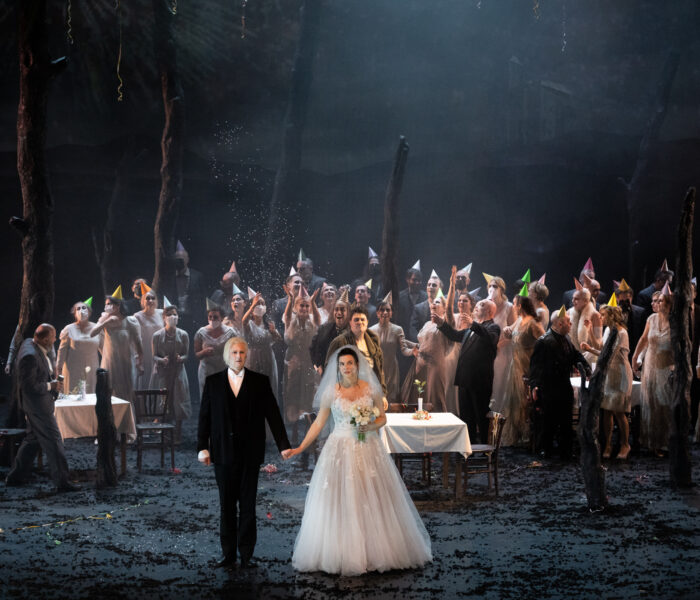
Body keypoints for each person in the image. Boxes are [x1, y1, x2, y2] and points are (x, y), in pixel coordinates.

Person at [282, 346, 432, 576]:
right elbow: (319, 423)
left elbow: (382, 418)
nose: (346, 368)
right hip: (339, 448)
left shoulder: (369, 389)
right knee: (339, 498)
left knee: (370, 495)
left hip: (367, 446)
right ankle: (341, 550)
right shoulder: (331, 392)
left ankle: (375, 549)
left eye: (349, 363)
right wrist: (300, 447)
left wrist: (369, 425)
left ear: (357, 365)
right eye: (342, 364)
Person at [197, 337, 290, 570]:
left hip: (250, 453)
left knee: (248, 505)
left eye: (242, 353)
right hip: (223, 453)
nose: (238, 356)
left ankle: (247, 555)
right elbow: (204, 418)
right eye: (234, 352)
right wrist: (202, 447)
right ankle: (228, 554)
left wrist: (283, 444)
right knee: (226, 505)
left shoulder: (260, 382)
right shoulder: (213, 382)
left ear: (246, 355)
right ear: (227, 355)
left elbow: (273, 414)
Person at [5, 324, 80, 492]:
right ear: (45, 339)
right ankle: (63, 482)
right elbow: (29, 386)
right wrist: (50, 386)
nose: (55, 339)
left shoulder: (29, 342)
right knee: (54, 442)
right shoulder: (30, 356)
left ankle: (15, 477)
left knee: (32, 440)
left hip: (36, 405)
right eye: (53, 337)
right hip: (37, 407)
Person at [433, 299, 500, 443]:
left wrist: (473, 324)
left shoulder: (493, 327)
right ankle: (468, 447)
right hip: (464, 379)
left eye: (481, 304)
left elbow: (490, 339)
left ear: (490, 311)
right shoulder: (470, 329)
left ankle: (486, 449)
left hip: (479, 381)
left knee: (481, 416)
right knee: (466, 416)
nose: (476, 306)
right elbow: (454, 335)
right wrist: (441, 323)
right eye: (477, 304)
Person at [528, 308, 591, 459]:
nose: (571, 324)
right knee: (549, 420)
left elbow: (575, 355)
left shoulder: (566, 337)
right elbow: (536, 366)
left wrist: (586, 367)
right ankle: (546, 449)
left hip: (563, 384)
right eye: (568, 322)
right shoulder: (544, 341)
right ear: (560, 323)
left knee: (566, 419)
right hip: (549, 387)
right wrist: (535, 386)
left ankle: (565, 450)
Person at [581, 304, 633, 459]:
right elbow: (601, 346)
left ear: (611, 316)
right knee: (607, 410)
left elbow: (608, 354)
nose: (600, 317)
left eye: (603, 315)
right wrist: (590, 330)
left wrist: (590, 350)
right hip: (609, 372)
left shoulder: (621, 333)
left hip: (620, 373)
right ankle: (608, 444)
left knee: (619, 411)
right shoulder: (608, 330)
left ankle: (625, 444)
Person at [497, 294, 545, 446]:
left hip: (526, 366)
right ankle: (516, 434)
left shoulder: (532, 323)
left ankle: (527, 435)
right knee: (514, 400)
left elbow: (544, 342)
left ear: (520, 306)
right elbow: (510, 332)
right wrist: (507, 330)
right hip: (515, 365)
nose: (513, 307)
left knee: (524, 402)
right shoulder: (519, 320)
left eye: (515, 304)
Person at [631, 290, 674, 454]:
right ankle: (651, 441)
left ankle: (665, 442)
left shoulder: (675, 322)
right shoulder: (651, 319)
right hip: (650, 364)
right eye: (656, 300)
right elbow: (643, 339)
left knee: (664, 404)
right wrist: (635, 357)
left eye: (659, 301)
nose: (655, 303)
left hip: (666, 366)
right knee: (651, 403)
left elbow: (680, 346)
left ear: (668, 304)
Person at [326, 305, 388, 405]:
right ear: (350, 322)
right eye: (356, 320)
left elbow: (380, 371)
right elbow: (330, 370)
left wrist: (382, 395)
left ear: (367, 322)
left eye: (362, 319)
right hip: (346, 395)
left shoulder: (374, 341)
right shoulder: (340, 342)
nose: (360, 322)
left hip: (370, 393)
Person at [91, 291, 143, 403]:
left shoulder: (130, 321)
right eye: (106, 304)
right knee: (109, 390)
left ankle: (127, 413)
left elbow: (138, 343)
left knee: (126, 391)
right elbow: (92, 333)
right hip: (110, 361)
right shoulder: (104, 319)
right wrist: (106, 322)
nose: (107, 306)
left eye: (109, 304)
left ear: (118, 305)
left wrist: (140, 362)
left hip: (126, 362)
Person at [282, 286, 321, 436]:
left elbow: (318, 320)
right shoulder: (291, 321)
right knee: (293, 392)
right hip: (293, 361)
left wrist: (313, 303)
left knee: (307, 392)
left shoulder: (311, 323)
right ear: (296, 307)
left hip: (307, 360)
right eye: (301, 306)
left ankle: (307, 428)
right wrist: (290, 300)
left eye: (306, 306)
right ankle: (294, 429)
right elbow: (287, 316)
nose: (304, 308)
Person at [151, 304, 191, 443]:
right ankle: (165, 434)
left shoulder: (183, 334)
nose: (172, 317)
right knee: (164, 402)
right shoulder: (157, 336)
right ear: (164, 318)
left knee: (179, 401)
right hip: (164, 373)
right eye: (169, 315)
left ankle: (177, 433)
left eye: (175, 314)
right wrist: (162, 360)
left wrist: (181, 358)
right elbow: (154, 356)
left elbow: (187, 354)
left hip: (178, 372)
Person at [370, 294, 417, 406]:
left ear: (391, 313)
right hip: (376, 370)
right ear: (377, 313)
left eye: (388, 310)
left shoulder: (397, 329)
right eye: (382, 310)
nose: (385, 312)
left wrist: (412, 351)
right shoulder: (370, 330)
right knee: (376, 400)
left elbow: (404, 349)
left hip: (392, 369)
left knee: (391, 400)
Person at [485, 275, 516, 414]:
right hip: (486, 351)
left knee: (498, 384)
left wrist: (498, 345)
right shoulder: (485, 304)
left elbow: (513, 332)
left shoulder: (509, 307)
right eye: (490, 286)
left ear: (502, 289)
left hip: (501, 351)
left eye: (495, 286)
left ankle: (497, 416)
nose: (492, 289)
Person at [56, 300, 101, 393]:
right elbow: (62, 351)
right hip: (72, 369)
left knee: (90, 393)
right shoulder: (69, 329)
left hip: (91, 368)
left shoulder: (97, 328)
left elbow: (104, 350)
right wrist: (58, 370)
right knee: (73, 393)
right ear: (75, 314)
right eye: (78, 309)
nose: (81, 311)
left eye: (84, 308)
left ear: (89, 312)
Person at [241, 292, 281, 397]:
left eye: (262, 304)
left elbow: (278, 339)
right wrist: (253, 305)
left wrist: (274, 332)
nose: (260, 306)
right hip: (253, 358)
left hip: (268, 357)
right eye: (258, 304)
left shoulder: (269, 324)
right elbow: (243, 321)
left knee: (269, 387)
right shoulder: (250, 324)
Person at [194, 304, 236, 396]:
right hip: (206, 371)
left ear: (222, 318)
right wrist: (204, 352)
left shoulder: (231, 333)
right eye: (210, 317)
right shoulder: (201, 333)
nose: (212, 319)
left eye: (215, 317)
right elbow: (196, 354)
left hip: (224, 370)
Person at [309, 293, 350, 374]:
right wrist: (317, 365)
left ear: (348, 312)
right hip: (328, 373)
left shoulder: (353, 330)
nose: (339, 312)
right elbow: (313, 348)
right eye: (336, 309)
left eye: (342, 310)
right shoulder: (324, 329)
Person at [133, 286, 163, 390]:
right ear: (143, 301)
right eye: (147, 298)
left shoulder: (161, 313)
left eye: (153, 298)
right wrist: (137, 357)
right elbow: (135, 338)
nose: (150, 301)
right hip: (145, 351)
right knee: (146, 377)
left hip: (159, 350)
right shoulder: (137, 316)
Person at [174, 242, 207, 334]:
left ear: (187, 259)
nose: (180, 261)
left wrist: (201, 320)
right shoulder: (170, 277)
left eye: (182, 259)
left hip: (193, 320)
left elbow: (203, 299)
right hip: (176, 319)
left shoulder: (197, 276)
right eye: (177, 259)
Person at [568, 287, 601, 366]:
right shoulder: (569, 312)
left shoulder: (595, 315)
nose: (573, 301)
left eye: (576, 299)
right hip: (574, 358)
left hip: (591, 358)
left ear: (586, 300)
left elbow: (598, 345)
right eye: (573, 298)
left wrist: (590, 332)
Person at [397, 266, 426, 342]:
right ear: (407, 280)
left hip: (421, 338)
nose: (417, 283)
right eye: (414, 280)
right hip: (403, 337)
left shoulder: (426, 297)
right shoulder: (400, 297)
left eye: (419, 280)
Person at [410, 271, 442, 341]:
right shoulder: (418, 308)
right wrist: (421, 342)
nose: (431, 287)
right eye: (429, 285)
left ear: (440, 288)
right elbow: (413, 329)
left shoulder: (444, 307)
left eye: (434, 285)